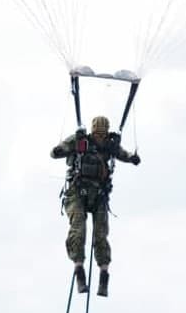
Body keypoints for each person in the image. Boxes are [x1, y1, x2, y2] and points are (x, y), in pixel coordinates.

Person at [50, 115, 140, 297]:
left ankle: (104, 275)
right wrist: (60, 149)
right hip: (77, 192)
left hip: (98, 195)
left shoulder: (110, 145)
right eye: (97, 134)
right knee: (78, 229)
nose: (99, 137)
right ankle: (79, 272)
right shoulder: (80, 141)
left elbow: (123, 154)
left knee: (101, 234)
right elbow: (55, 153)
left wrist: (132, 158)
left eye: (102, 134)